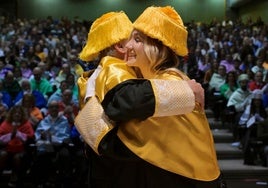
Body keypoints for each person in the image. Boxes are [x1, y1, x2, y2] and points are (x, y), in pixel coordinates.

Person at [79, 6, 223, 188]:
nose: (129, 45)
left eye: (136, 39)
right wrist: (185, 90)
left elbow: (122, 109)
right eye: (128, 38)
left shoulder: (170, 78)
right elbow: (122, 111)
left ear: (156, 47)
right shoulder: (125, 73)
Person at [0, 105, 35, 187]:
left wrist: (18, 134)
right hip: (7, 148)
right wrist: (11, 135)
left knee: (17, 157)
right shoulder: (5, 124)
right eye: (15, 113)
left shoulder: (26, 124)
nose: (17, 114)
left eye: (19, 113)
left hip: (21, 149)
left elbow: (30, 138)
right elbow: (0, 138)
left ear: (22, 115)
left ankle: (15, 177)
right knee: (2, 155)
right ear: (11, 114)